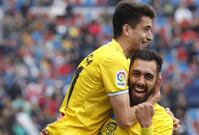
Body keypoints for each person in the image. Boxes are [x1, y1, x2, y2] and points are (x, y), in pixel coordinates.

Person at [42, 1, 159, 135]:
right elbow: (125, 119)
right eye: (146, 29)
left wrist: (164, 116)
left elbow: (135, 102)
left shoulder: (110, 55)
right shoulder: (113, 60)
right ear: (127, 30)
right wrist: (154, 98)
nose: (150, 36)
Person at [99, 49, 175, 135]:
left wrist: (146, 127)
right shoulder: (109, 101)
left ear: (157, 82)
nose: (140, 82)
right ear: (127, 74)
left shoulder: (163, 121)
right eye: (136, 74)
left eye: (148, 77)